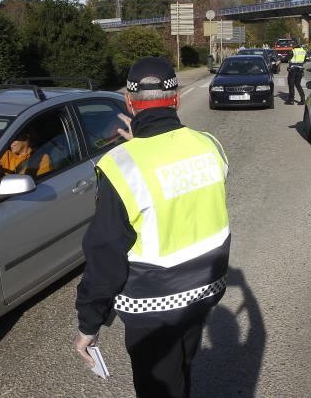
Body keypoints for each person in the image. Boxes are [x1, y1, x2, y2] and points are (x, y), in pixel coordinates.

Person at [73, 57, 231, 398]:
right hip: (204, 290)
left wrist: (89, 324)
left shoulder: (120, 166)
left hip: (154, 308)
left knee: (159, 388)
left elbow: (105, 256)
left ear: (130, 104)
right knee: (183, 369)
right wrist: (143, 142)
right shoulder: (210, 146)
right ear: (175, 99)